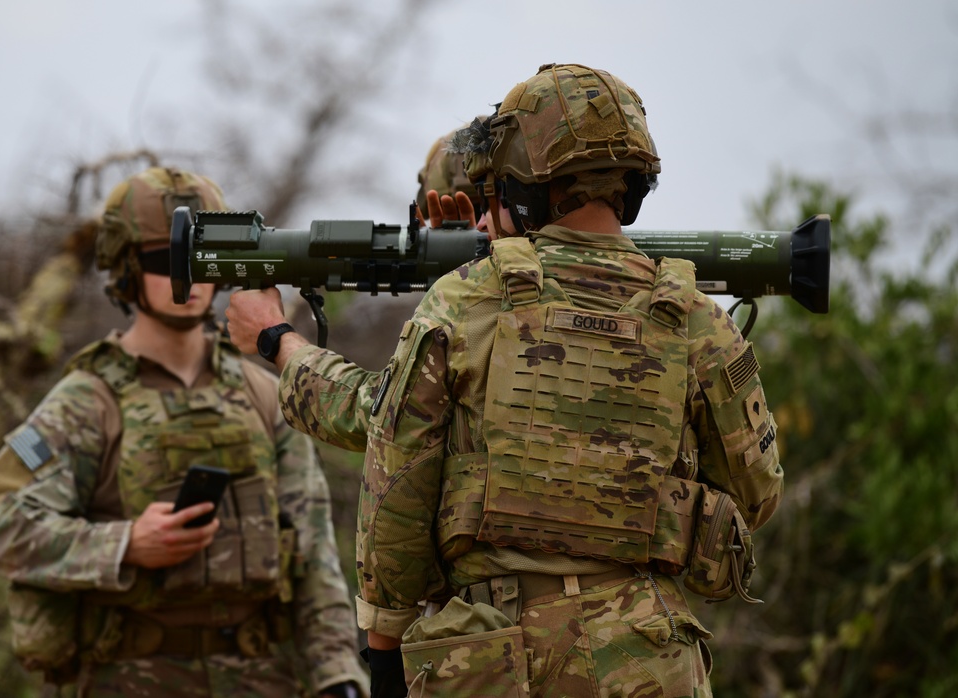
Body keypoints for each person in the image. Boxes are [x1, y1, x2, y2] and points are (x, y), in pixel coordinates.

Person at [224, 63, 784, 697]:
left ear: (522, 185)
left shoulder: (466, 302)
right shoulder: (698, 321)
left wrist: (383, 650)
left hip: (493, 656)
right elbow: (756, 493)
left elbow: (398, 488)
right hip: (650, 661)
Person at [0, 166, 368, 698]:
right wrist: (124, 544)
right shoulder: (87, 402)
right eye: (168, 259)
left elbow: (314, 550)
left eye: (204, 256)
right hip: (130, 678)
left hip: (263, 678)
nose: (191, 274)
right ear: (127, 269)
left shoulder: (264, 393)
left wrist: (337, 678)